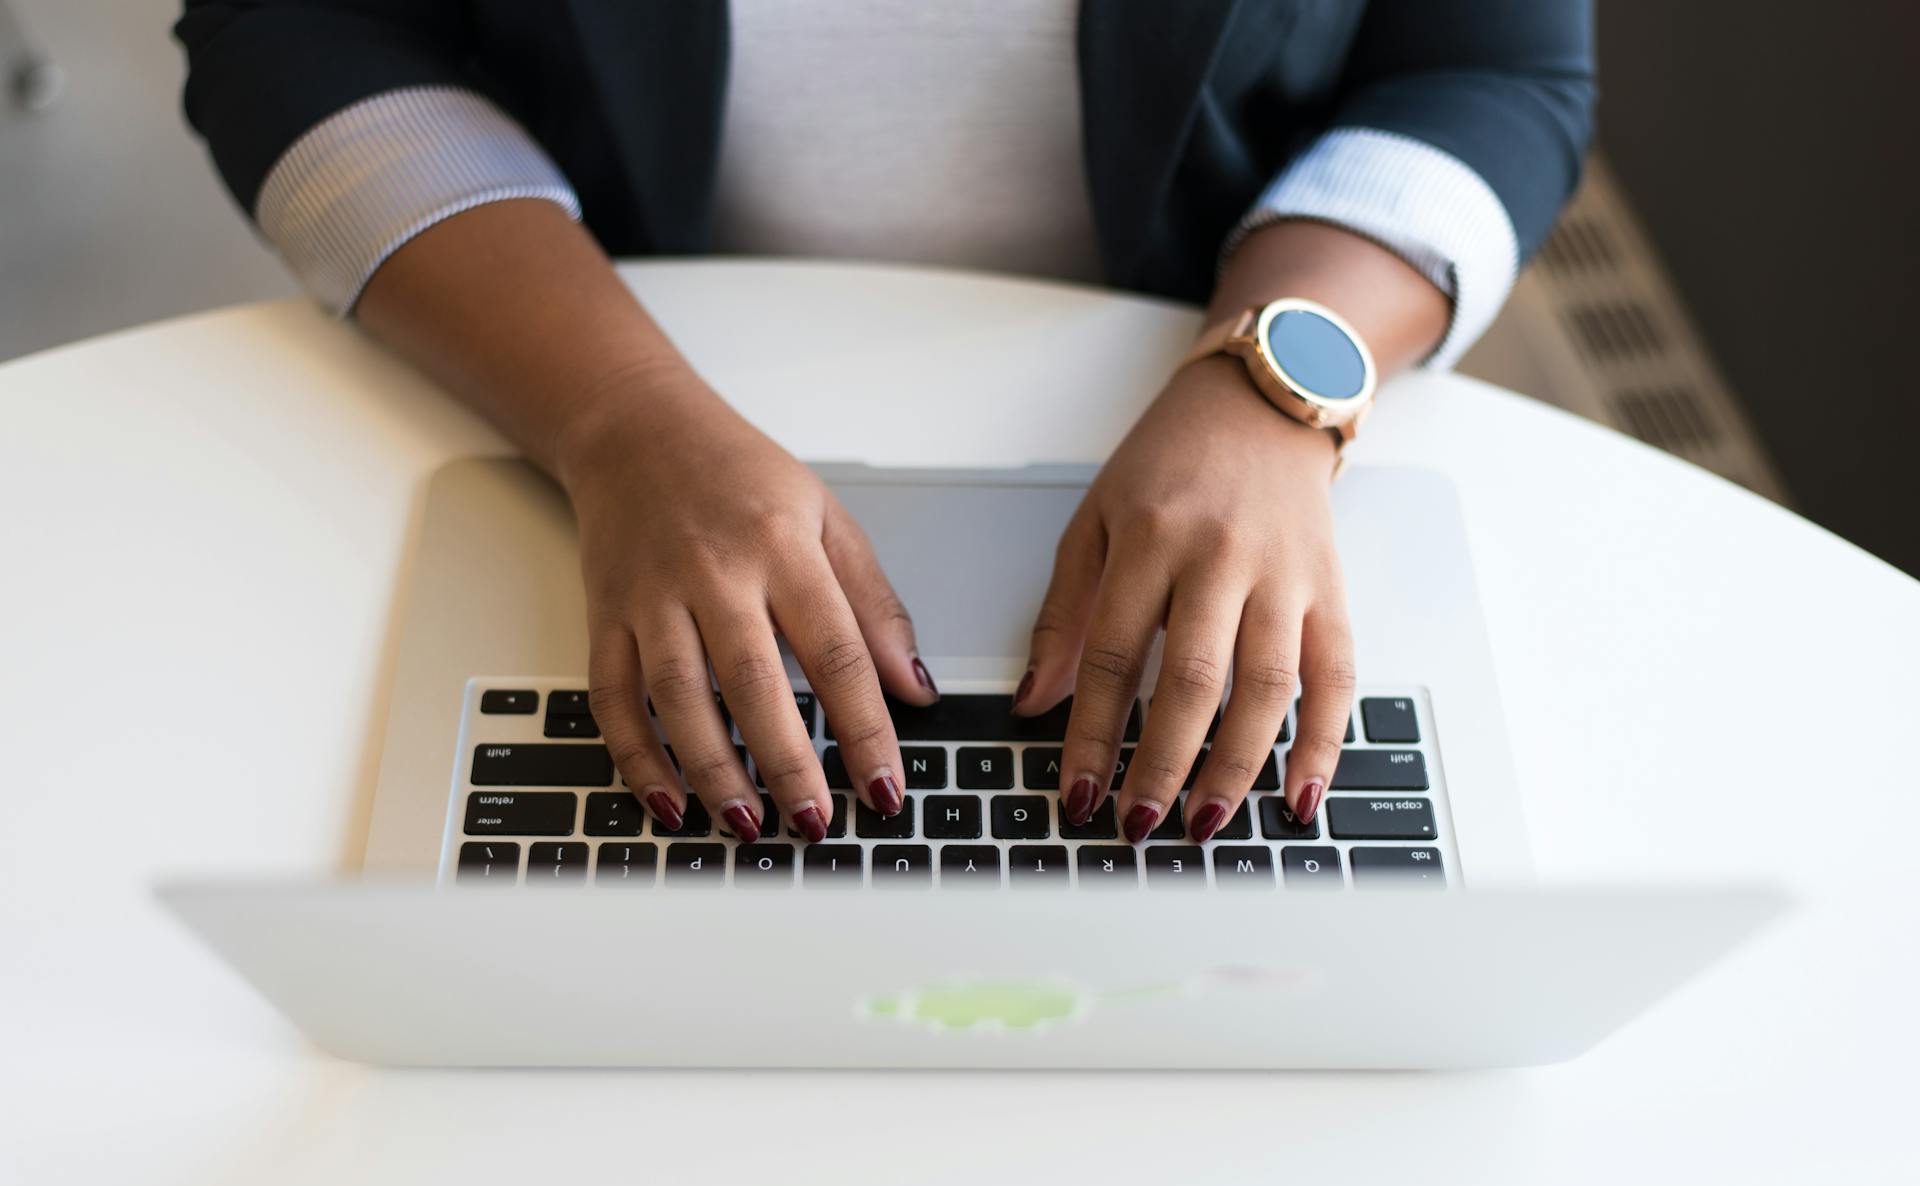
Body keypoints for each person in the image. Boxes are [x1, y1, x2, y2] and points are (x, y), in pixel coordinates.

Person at [175, 1, 1594, 849]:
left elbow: (1490, 61)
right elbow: (289, 26)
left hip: (1191, 348)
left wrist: (1276, 391)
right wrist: (614, 416)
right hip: (578, 322)